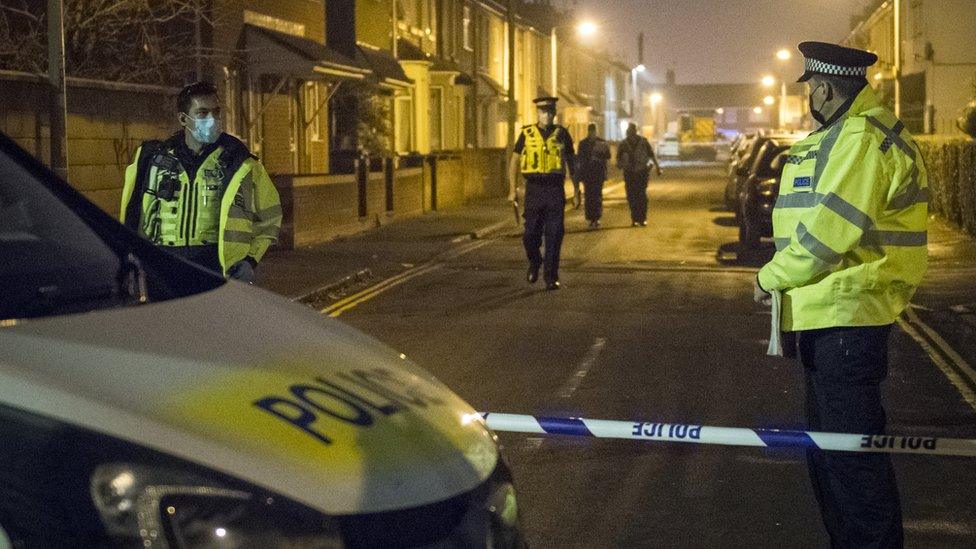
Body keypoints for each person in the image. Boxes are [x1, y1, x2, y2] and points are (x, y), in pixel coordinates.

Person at [754, 41, 928, 548]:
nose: (809, 96)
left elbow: (831, 230)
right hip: (827, 316)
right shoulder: (842, 135)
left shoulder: (861, 139)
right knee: (830, 458)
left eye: (810, 87)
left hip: (848, 317)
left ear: (825, 88)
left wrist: (771, 276)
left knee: (851, 463)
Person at [120, 81, 281, 284]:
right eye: (202, 113)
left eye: (216, 112)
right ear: (183, 118)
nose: (212, 119)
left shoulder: (241, 164)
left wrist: (250, 260)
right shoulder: (153, 161)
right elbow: (132, 215)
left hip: (217, 268)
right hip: (164, 266)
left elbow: (270, 217)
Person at [508, 96, 577, 291]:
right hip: (534, 189)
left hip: (555, 190)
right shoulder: (527, 134)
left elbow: (572, 161)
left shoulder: (562, 134)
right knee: (530, 234)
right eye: (542, 112)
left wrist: (577, 188)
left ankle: (551, 277)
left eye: (549, 112)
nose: (546, 115)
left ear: (554, 113)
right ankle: (535, 261)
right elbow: (514, 161)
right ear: (537, 113)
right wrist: (512, 189)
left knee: (554, 236)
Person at [616, 123, 661, 227]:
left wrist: (658, 167)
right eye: (630, 132)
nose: (632, 134)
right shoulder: (623, 144)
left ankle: (642, 218)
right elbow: (618, 158)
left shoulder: (643, 142)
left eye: (633, 131)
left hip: (641, 172)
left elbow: (651, 155)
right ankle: (635, 218)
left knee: (641, 196)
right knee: (632, 197)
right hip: (630, 173)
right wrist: (620, 164)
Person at [576, 123, 612, 228]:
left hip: (598, 173)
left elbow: (608, 156)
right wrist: (579, 174)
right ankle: (591, 218)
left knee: (597, 196)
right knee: (589, 196)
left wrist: (600, 154)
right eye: (591, 131)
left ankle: (596, 218)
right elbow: (580, 158)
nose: (592, 133)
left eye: (593, 131)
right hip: (588, 174)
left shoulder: (601, 142)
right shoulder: (583, 144)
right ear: (589, 131)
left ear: (595, 131)